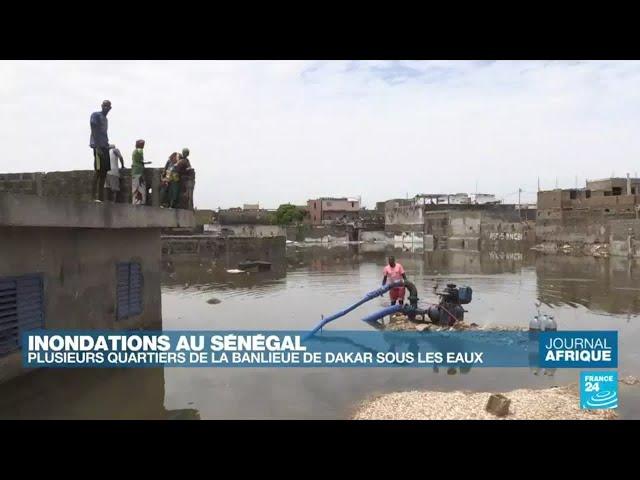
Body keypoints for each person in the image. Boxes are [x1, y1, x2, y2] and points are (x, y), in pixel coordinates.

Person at [89, 100, 112, 202]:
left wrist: (107, 144)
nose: (106, 108)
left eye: (108, 106)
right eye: (105, 106)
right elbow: (93, 129)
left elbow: (104, 133)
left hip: (105, 147)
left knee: (104, 172)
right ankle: (93, 197)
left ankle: (100, 198)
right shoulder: (95, 115)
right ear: (102, 106)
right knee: (98, 171)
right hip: (98, 146)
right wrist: (97, 147)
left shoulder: (105, 119)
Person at [131, 139, 151, 205]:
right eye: (142, 144)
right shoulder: (140, 150)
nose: (143, 146)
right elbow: (141, 160)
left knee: (135, 189)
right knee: (141, 189)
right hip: (139, 172)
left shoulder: (134, 151)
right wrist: (147, 162)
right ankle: (141, 203)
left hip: (134, 172)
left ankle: (135, 203)